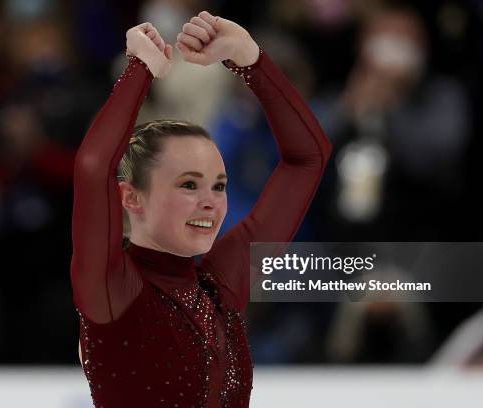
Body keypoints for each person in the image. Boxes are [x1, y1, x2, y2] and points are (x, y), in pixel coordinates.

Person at [70, 10, 332, 407]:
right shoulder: (112, 287)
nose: (210, 200)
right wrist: (141, 70)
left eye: (219, 185)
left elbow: (309, 158)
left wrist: (248, 58)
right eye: (188, 184)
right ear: (131, 197)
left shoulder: (219, 286)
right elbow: (93, 168)